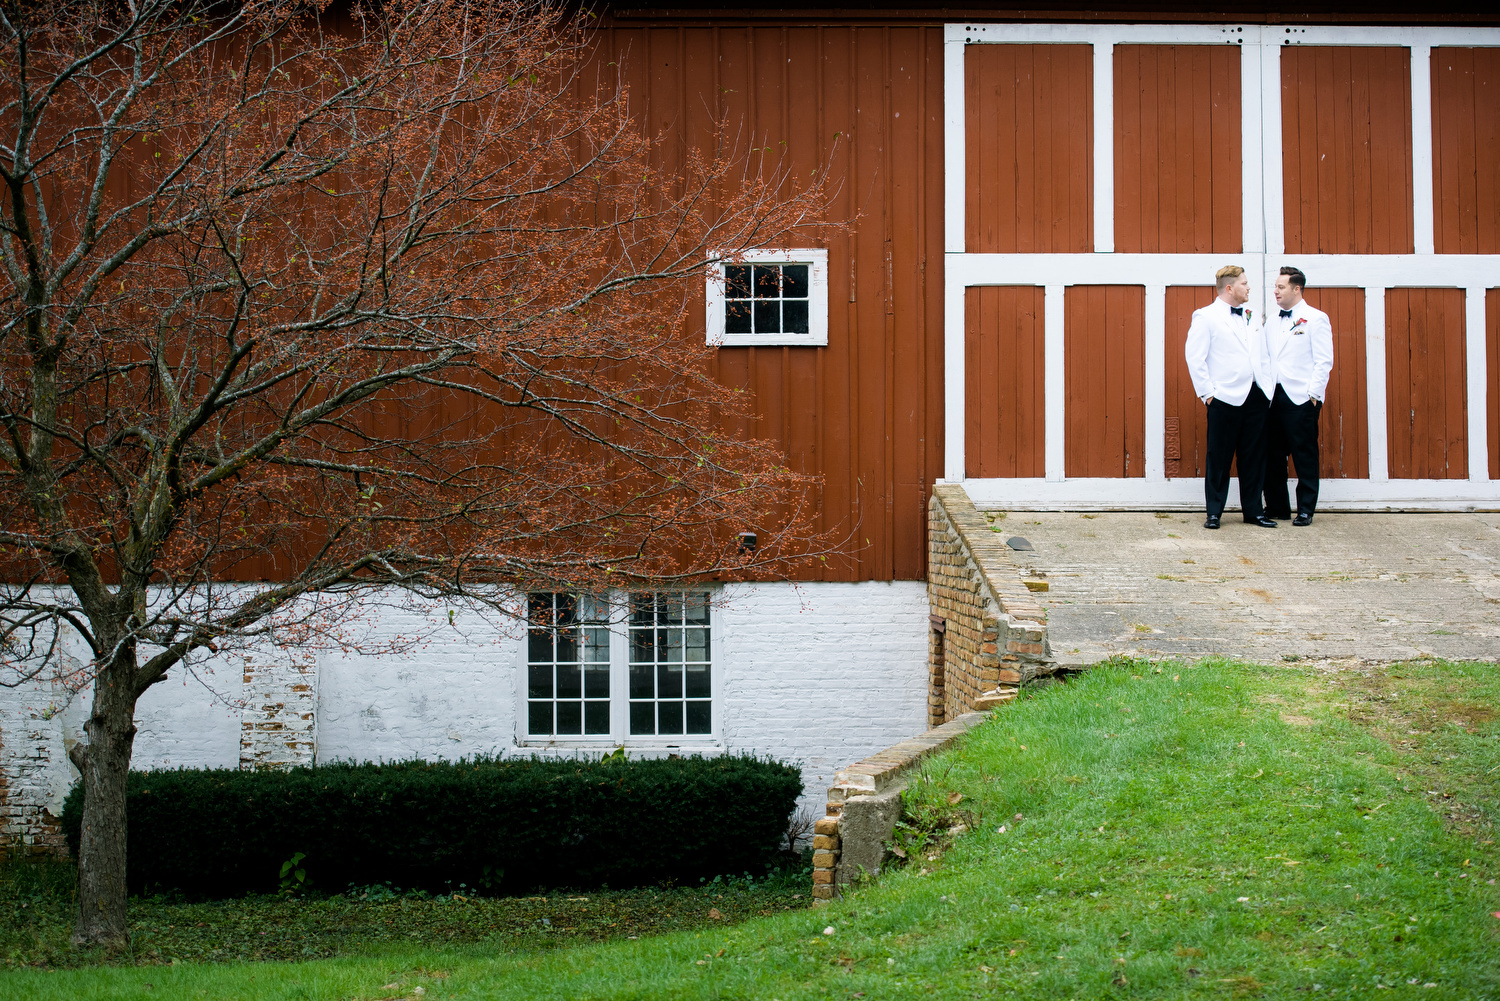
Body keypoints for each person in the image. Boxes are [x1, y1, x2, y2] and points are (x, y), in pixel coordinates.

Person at [1184, 265, 1275, 530]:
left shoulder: (1252, 315)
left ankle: (1253, 511)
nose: (1248, 288)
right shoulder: (1205, 316)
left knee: (1254, 457)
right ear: (1229, 288)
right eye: (1244, 283)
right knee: (1218, 458)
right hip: (1223, 398)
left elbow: (1263, 354)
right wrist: (1208, 394)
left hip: (1256, 396)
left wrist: (1266, 389)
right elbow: (1195, 357)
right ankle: (1214, 512)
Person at [1263, 266, 1333, 526]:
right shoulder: (1271, 320)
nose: (1276, 291)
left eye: (1281, 287)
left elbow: (1324, 360)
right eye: (1276, 287)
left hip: (1301, 398)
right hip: (1272, 397)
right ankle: (1277, 507)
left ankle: (1305, 509)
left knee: (1304, 455)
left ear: (1296, 288)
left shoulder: (1316, 318)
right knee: (1271, 455)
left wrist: (1313, 394)